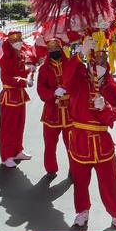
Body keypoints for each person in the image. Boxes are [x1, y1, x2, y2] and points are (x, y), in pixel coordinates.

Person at [65, 39, 116, 230]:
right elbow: (66, 78)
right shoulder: (79, 79)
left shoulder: (110, 86)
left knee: (110, 181)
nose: (100, 62)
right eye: (96, 58)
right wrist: (79, 55)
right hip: (80, 138)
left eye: (103, 58)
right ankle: (82, 211)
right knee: (80, 180)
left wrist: (105, 107)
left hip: (102, 141)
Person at [36, 37, 72, 177]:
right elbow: (41, 89)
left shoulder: (70, 65)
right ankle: (51, 169)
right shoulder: (44, 68)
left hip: (70, 112)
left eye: (56, 48)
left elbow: (79, 84)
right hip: (52, 113)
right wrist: (52, 93)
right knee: (50, 145)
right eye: (50, 49)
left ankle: (74, 169)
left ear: (61, 48)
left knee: (72, 145)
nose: (53, 51)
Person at [0, 30, 32, 168]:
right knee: (8, 127)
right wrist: (24, 80)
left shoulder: (20, 55)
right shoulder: (5, 58)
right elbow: (6, 78)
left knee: (19, 125)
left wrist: (29, 70)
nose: (19, 42)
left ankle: (17, 150)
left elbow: (21, 71)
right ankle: (6, 156)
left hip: (19, 95)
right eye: (14, 40)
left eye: (20, 39)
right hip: (9, 95)